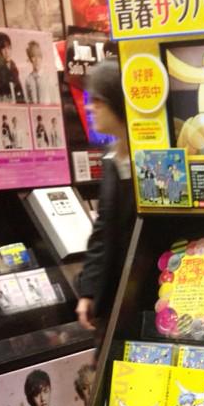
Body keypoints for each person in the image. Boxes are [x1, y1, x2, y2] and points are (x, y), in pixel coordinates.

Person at [76, 58, 137, 345]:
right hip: (114, 298)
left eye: (97, 100)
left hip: (145, 294)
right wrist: (88, 290)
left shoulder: (150, 159)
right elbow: (102, 228)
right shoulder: (111, 157)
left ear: (116, 100)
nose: (90, 108)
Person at [0, 32, 24, 102]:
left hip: (18, 102)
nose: (7, 52)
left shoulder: (13, 66)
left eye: (8, 48)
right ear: (0, 51)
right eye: (3, 49)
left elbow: (19, 88)